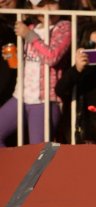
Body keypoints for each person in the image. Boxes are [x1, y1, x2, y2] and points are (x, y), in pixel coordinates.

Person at [0, 0, 71, 146]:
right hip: (20, 96)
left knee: (38, 152)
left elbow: (51, 57)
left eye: (52, 2)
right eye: (41, 5)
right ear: (32, 7)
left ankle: (44, 170)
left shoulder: (64, 27)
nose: (47, 9)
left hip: (45, 100)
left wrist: (29, 35)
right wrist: (12, 56)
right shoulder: (31, 27)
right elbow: (26, 63)